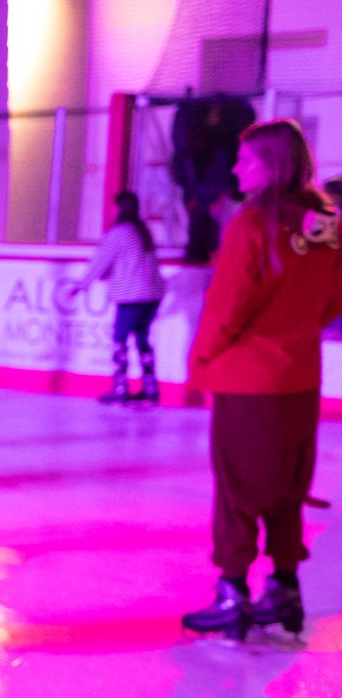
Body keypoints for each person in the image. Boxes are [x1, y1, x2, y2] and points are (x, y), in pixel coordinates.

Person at [179, 118, 342, 641]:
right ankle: (285, 587)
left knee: (236, 490)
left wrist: (201, 363)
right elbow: (334, 300)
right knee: (287, 488)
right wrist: (293, 331)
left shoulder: (252, 224)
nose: (234, 167)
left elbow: (227, 308)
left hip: (248, 381)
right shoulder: (324, 224)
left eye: (246, 159)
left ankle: (232, 593)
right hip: (299, 378)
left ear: (273, 165)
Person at [79, 191, 166, 404]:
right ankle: (150, 387)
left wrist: (82, 285)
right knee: (143, 340)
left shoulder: (119, 233)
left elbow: (101, 261)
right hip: (151, 295)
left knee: (120, 340)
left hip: (131, 295)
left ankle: (120, 388)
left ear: (119, 208)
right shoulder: (142, 231)